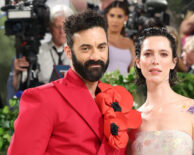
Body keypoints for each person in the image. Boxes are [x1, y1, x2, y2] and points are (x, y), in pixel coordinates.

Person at [8, 10, 134, 155]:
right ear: (68, 52)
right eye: (85, 48)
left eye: (101, 47)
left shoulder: (116, 100)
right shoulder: (42, 99)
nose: (95, 56)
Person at [128, 27, 194, 154]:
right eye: (148, 54)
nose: (155, 61)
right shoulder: (133, 120)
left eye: (163, 54)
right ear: (138, 62)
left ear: (173, 62)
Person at [12, 4, 73, 91]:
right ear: (50, 27)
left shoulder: (77, 52)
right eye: (57, 26)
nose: (62, 31)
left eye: (65, 26)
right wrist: (16, 74)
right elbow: (19, 88)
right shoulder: (37, 51)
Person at [104, 0, 135, 75]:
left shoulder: (130, 43)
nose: (115, 20)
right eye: (112, 15)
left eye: (119, 16)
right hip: (102, 85)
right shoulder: (99, 38)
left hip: (125, 85)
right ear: (107, 16)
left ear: (126, 18)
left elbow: (133, 70)